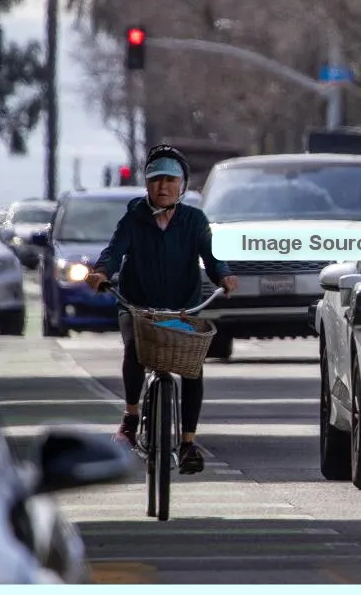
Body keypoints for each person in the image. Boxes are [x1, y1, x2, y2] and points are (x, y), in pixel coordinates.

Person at [85, 145, 239, 474]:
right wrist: (101, 273)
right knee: (133, 350)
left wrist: (224, 276)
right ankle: (130, 415)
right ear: (147, 185)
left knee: (192, 368)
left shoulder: (195, 220)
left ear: (182, 185)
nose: (163, 187)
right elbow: (114, 252)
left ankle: (187, 443)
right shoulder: (134, 218)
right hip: (138, 306)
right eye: (156, 180)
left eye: (170, 180)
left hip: (182, 310)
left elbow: (212, 258)